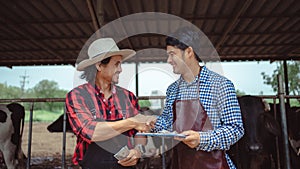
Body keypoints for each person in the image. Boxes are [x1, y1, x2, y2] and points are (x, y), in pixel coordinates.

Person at [153, 27, 244, 169]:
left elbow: (235, 129)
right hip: (181, 164)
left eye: (172, 54)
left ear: (189, 52)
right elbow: (166, 123)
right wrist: (152, 123)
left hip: (215, 165)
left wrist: (201, 139)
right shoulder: (172, 90)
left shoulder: (220, 85)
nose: (168, 60)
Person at [65, 38, 156, 169]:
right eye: (116, 64)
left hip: (124, 165)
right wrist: (132, 122)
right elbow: (91, 132)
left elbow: (140, 132)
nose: (120, 69)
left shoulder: (128, 97)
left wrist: (138, 150)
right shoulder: (78, 96)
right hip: (91, 164)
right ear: (99, 65)